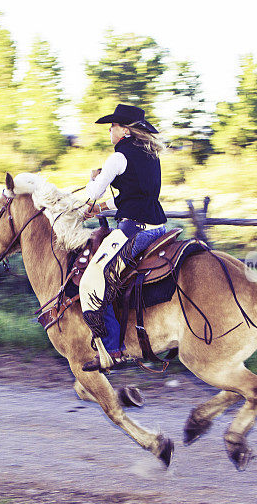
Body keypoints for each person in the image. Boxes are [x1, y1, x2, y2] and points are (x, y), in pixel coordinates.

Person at [79, 104, 168, 372]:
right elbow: (133, 195)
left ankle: (113, 349)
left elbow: (95, 190)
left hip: (134, 230)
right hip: (158, 228)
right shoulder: (150, 156)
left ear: (125, 129)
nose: (110, 130)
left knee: (93, 279)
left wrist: (93, 180)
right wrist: (104, 208)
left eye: (113, 126)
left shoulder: (118, 157)